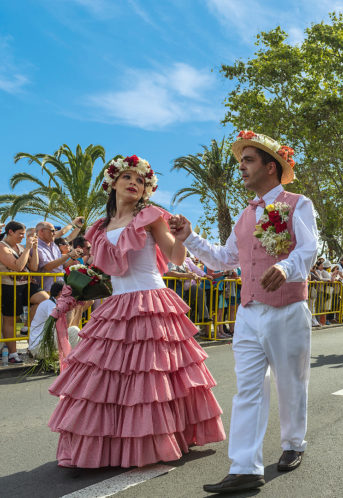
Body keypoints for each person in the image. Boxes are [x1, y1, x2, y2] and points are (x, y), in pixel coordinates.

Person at [48, 154, 226, 468]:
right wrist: (71, 293)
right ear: (112, 182)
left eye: (140, 180)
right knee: (102, 379)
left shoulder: (151, 216)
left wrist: (183, 238)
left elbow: (172, 254)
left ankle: (152, 444)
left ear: (146, 189)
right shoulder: (99, 228)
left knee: (150, 379)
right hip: (116, 305)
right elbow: (99, 272)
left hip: (150, 301)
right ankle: (102, 449)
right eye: (127, 177)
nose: (134, 183)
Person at [170, 131, 318, 494]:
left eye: (248, 160)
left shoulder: (297, 203)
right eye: (241, 162)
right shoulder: (244, 215)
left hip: (287, 306)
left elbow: (310, 249)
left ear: (271, 166)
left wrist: (286, 267)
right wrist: (190, 237)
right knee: (247, 389)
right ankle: (245, 467)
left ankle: (293, 443)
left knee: (290, 382)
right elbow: (224, 259)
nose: (242, 167)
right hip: (249, 311)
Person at [0, 221, 49, 364]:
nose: (23, 236)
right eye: (20, 233)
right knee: (10, 319)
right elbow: (17, 266)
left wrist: (34, 248)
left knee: (44, 299)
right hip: (9, 285)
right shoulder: (2, 247)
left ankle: (28, 327)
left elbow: (33, 267)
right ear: (10, 232)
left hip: (26, 283)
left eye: (24, 233)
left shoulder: (21, 247)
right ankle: (12, 353)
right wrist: (27, 248)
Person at [35, 221, 83, 292]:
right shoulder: (36, 247)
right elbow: (48, 266)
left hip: (61, 284)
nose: (54, 233)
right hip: (48, 288)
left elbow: (61, 266)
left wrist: (73, 258)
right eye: (52, 231)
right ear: (41, 231)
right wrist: (69, 255)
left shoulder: (54, 245)